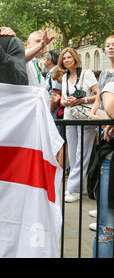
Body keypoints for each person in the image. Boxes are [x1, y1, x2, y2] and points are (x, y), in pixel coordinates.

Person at [59, 47, 99, 203]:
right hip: (70, 117)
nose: (67, 60)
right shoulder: (64, 77)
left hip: (85, 117)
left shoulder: (86, 73)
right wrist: (65, 101)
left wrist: (82, 100)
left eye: (69, 57)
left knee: (83, 153)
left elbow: (97, 95)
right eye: (64, 58)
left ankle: (73, 189)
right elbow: (62, 99)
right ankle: (78, 186)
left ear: (75, 58)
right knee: (75, 154)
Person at [90, 35, 114, 257]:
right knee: (107, 225)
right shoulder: (109, 79)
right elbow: (107, 104)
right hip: (110, 153)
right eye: (108, 45)